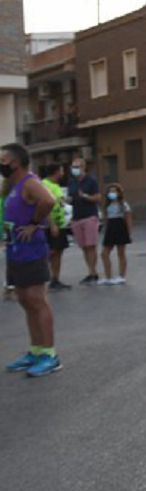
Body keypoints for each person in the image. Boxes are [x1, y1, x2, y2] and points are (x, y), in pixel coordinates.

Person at [2, 143, 62, 377]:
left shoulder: (29, 182)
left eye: (3, 159)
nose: (1, 163)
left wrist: (35, 224)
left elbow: (48, 201)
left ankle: (50, 355)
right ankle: (36, 350)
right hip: (15, 250)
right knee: (25, 300)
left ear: (15, 162)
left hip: (31, 249)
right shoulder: (13, 185)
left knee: (37, 299)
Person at [67, 156, 101, 284]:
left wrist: (85, 196)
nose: (74, 169)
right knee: (84, 247)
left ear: (83, 167)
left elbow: (98, 197)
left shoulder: (91, 180)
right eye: (73, 167)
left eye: (77, 166)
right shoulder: (72, 182)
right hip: (76, 217)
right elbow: (71, 197)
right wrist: (67, 200)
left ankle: (94, 273)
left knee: (90, 245)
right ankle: (90, 271)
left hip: (89, 216)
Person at [40, 163, 72, 291]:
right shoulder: (44, 185)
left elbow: (58, 202)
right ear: (56, 171)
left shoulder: (56, 185)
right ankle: (41, 278)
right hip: (50, 225)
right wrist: (52, 224)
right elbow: (44, 205)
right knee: (50, 252)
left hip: (61, 223)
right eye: (62, 170)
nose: (63, 172)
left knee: (59, 251)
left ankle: (55, 279)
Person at [99, 183, 131, 285]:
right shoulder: (106, 205)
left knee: (121, 252)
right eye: (110, 191)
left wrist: (129, 233)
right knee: (104, 253)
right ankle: (108, 277)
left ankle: (122, 276)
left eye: (114, 191)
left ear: (118, 193)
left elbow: (128, 218)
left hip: (120, 227)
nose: (112, 193)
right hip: (110, 228)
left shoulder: (123, 204)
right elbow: (106, 219)